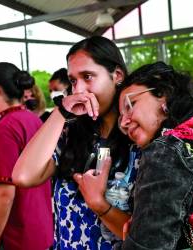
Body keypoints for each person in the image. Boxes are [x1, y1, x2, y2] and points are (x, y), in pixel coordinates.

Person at [77, 62, 193, 249]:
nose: (125, 122)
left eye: (130, 105)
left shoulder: (167, 150)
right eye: (120, 117)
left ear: (164, 94)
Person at [12, 36, 139, 249]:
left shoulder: (140, 139)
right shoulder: (70, 133)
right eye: (73, 80)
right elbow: (23, 176)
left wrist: (100, 205)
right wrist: (61, 112)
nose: (78, 90)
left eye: (88, 76)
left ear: (116, 75)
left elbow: (147, 237)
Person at [0, 62, 53, 250]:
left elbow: (4, 195)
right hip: (40, 227)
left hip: (17, 234)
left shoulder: (4, 129)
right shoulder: (32, 119)